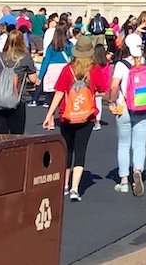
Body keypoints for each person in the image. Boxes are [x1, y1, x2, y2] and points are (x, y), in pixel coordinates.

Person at [43, 36, 102, 200]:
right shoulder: (95, 69)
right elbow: (102, 89)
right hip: (87, 115)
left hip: (67, 115)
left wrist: (49, 114)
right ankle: (75, 188)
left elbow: (59, 93)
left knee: (67, 150)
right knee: (80, 151)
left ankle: (65, 185)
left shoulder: (68, 69)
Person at [109, 31, 146, 196]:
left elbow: (114, 86)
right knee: (140, 143)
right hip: (144, 105)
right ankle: (138, 170)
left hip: (124, 106)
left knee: (123, 144)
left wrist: (112, 101)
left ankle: (124, 181)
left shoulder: (121, 65)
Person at [0, 28, 38, 134]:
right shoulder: (25, 58)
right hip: (17, 100)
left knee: (0, 137)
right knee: (16, 136)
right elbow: (33, 79)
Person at [36, 23, 71, 107]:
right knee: (64, 97)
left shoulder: (51, 46)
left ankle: (51, 118)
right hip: (64, 70)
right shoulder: (69, 45)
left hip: (52, 71)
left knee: (51, 99)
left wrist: (40, 77)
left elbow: (45, 62)